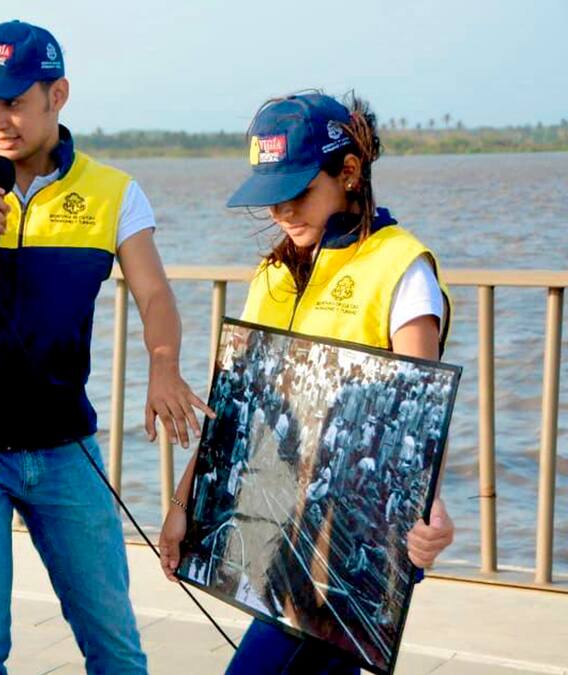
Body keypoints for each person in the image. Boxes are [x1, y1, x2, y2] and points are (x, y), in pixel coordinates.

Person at [0, 20, 211, 674]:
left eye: (13, 101)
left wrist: (164, 367)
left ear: (57, 95)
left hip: (66, 449)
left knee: (115, 645)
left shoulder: (113, 191)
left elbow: (154, 294)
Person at [158, 92, 456, 673]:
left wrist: (431, 510)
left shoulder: (400, 267)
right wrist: (183, 503)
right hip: (282, 527)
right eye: (272, 199)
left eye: (298, 193)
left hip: (360, 542)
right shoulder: (273, 274)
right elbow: (233, 406)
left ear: (349, 172)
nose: (283, 212)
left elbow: (423, 416)